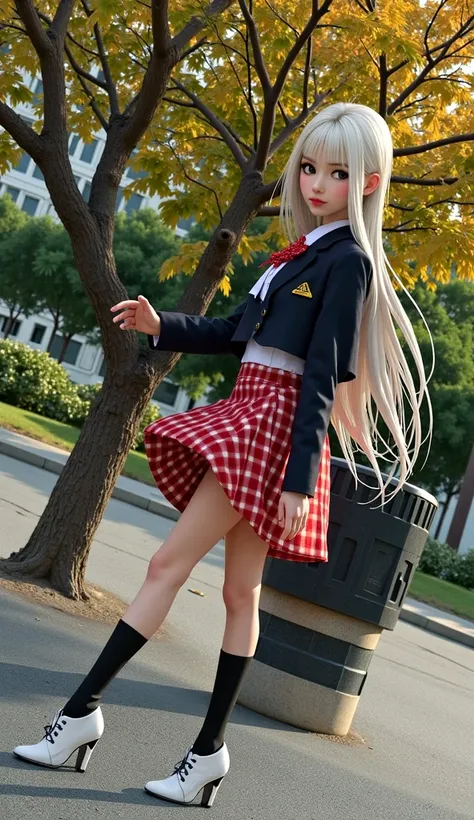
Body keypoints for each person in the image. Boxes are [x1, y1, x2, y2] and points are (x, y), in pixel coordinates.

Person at [13, 102, 433, 807]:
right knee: (241, 593)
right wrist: (161, 323)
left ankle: (78, 716)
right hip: (251, 410)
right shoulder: (299, 255)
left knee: (166, 565)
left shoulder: (347, 262)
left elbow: (322, 376)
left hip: (273, 428)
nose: (315, 183)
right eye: (308, 168)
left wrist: (301, 477)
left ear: (366, 181)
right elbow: (237, 331)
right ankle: (206, 754)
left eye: (335, 172)